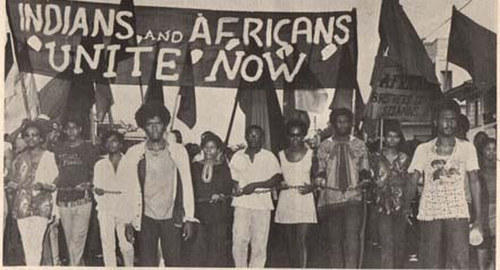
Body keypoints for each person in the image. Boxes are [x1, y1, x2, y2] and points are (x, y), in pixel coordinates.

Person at [404, 99, 482, 269]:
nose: (449, 123)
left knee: (460, 262)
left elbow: (474, 182)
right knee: (430, 262)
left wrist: (478, 218)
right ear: (435, 122)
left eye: (453, 119)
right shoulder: (423, 149)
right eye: (445, 119)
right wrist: (405, 208)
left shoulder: (467, 148)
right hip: (430, 212)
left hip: (458, 212)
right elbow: (412, 180)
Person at [118, 101, 196, 266]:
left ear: (165, 125)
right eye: (149, 124)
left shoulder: (178, 151)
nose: (154, 128)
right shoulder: (134, 154)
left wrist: (189, 218)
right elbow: (128, 190)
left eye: (158, 123)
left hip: (171, 217)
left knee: (174, 262)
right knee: (147, 263)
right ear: (143, 127)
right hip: (146, 218)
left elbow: (188, 185)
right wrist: (128, 221)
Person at [314, 108, 370, 268]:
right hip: (332, 198)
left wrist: (365, 177)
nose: (343, 125)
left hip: (353, 196)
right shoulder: (325, 146)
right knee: (334, 240)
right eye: (339, 121)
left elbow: (364, 167)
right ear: (333, 124)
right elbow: (320, 168)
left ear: (351, 124)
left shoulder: (359, 145)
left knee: (352, 238)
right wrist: (320, 177)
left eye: (346, 121)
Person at [5, 121, 59, 265]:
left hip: (42, 205)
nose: (31, 139)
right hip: (22, 206)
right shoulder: (19, 158)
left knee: (37, 246)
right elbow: (13, 181)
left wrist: (44, 186)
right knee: (27, 246)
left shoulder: (49, 156)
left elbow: (55, 184)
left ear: (41, 138)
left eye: (35, 135)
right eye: (27, 136)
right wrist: (11, 185)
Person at [230, 125, 282, 268]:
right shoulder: (238, 156)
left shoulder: (269, 156)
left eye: (257, 135)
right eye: (251, 135)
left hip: (262, 206)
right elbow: (233, 177)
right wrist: (235, 186)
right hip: (242, 204)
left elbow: (277, 178)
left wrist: (255, 185)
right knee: (239, 240)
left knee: (259, 243)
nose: (253, 138)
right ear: (246, 137)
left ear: (262, 139)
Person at [53, 117, 100, 266]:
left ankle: (74, 266)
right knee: (69, 238)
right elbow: (55, 172)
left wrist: (90, 183)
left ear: (80, 129)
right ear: (64, 130)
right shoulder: (58, 149)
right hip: (63, 198)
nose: (71, 131)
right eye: (68, 128)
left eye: (74, 127)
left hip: (83, 198)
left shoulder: (89, 148)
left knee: (79, 237)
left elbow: (96, 171)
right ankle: (79, 265)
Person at [93, 130, 141, 266]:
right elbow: (96, 188)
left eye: (114, 141)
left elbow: (135, 190)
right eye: (107, 141)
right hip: (106, 208)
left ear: (120, 144)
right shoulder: (100, 165)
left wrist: (133, 217)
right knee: (107, 244)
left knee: (126, 244)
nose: (111, 144)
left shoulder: (131, 163)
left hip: (125, 207)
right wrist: (100, 194)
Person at [275, 119, 317, 268]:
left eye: (298, 135)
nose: (295, 139)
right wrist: (279, 183)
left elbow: (318, 179)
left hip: (305, 199)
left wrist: (311, 188)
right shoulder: (280, 154)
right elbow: (276, 177)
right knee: (289, 242)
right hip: (286, 199)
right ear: (287, 136)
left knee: (302, 240)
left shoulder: (311, 154)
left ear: (304, 135)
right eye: (292, 135)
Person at [187, 132, 233, 267]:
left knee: (216, 248)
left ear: (218, 150)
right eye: (206, 147)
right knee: (198, 248)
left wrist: (221, 195)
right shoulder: (194, 166)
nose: (208, 150)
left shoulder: (223, 168)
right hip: (199, 213)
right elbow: (190, 187)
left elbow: (228, 188)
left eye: (212, 147)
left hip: (218, 214)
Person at [370, 120, 410, 268]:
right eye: (389, 136)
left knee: (399, 244)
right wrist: (376, 184)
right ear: (384, 138)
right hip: (382, 206)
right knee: (386, 243)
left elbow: (409, 181)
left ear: (399, 139)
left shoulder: (405, 158)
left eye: (396, 136)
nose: (392, 139)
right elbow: (371, 179)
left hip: (401, 205)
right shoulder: (375, 157)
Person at [477, 138, 496, 270]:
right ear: (483, 151)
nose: (492, 152)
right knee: (482, 243)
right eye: (488, 149)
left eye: (494, 149)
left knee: (495, 245)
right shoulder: (478, 171)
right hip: (483, 211)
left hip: (496, 211)